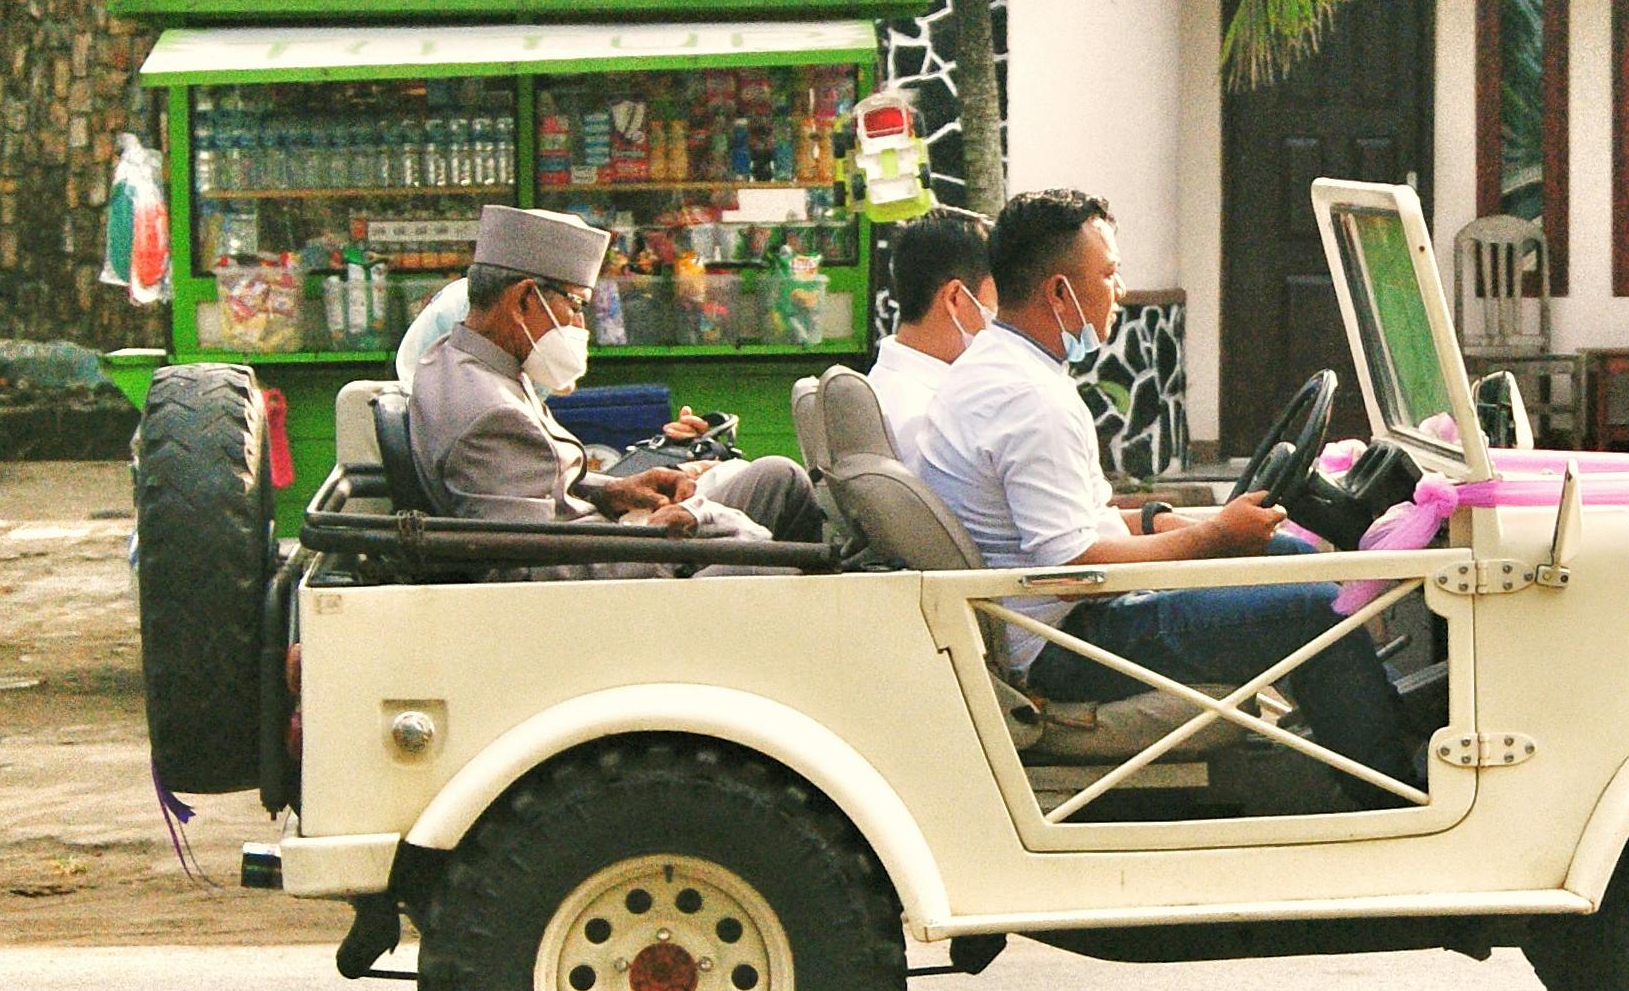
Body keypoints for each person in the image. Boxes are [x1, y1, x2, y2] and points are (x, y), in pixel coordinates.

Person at [912, 188, 1421, 798]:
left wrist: (1180, 525)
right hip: (1063, 645)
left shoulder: (999, 368)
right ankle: (1394, 794)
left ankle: (1347, 740)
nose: (1120, 290)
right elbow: (1071, 567)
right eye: (1109, 274)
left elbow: (1076, 526)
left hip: (1055, 616)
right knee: (1316, 610)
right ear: (1058, 292)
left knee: (1287, 556)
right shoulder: (1030, 400)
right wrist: (1214, 536)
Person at [410, 205, 823, 572]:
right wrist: (692, 527)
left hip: (600, 542)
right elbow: (533, 569)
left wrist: (613, 491)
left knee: (779, 478)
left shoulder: (461, 361)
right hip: (609, 592)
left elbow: (539, 495)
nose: (581, 325)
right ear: (522, 301)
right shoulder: (491, 412)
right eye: (576, 306)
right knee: (780, 570)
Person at [864, 208, 991, 458]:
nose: (999, 315)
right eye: (997, 300)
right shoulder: (930, 421)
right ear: (955, 298)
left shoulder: (885, 384)